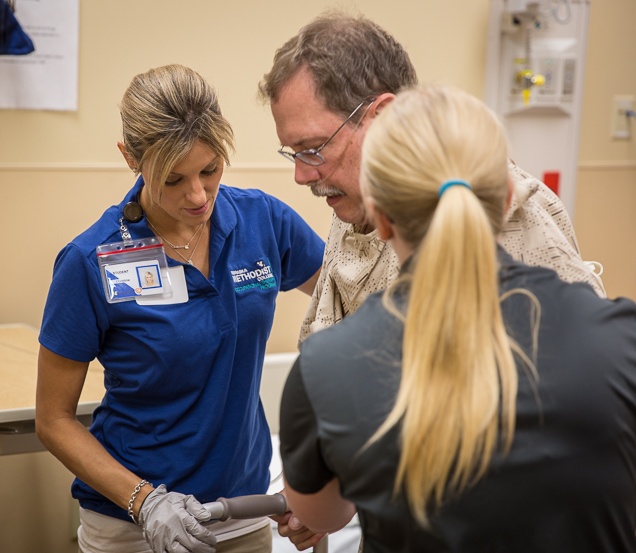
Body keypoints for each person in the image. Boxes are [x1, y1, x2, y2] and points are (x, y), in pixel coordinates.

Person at [278, 83, 636, 552]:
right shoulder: (619, 337)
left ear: (380, 221)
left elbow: (321, 513)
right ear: (510, 196)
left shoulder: (327, 367)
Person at [35, 64, 324, 553]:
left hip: (243, 508)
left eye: (210, 170)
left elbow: (355, 304)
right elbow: (53, 420)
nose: (197, 195)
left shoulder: (262, 221)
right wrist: (144, 502)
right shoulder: (91, 261)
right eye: (173, 179)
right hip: (136, 524)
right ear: (131, 159)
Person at [258, 11, 605, 347]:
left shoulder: (496, 208)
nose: (302, 175)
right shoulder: (356, 201)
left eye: (314, 148)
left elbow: (579, 366)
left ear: (383, 116)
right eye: (294, 152)